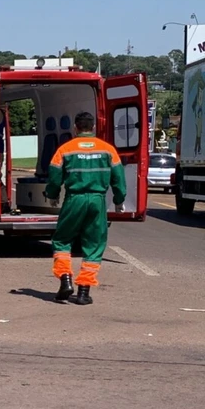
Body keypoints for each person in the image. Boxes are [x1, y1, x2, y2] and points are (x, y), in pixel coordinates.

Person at [44, 111, 127, 305]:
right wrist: (119, 199)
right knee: (94, 245)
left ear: (75, 127)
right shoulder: (108, 150)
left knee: (62, 240)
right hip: (97, 201)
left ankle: (65, 279)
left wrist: (52, 195)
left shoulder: (65, 149)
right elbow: (118, 177)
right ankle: (83, 292)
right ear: (94, 128)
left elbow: (54, 176)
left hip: (74, 199)